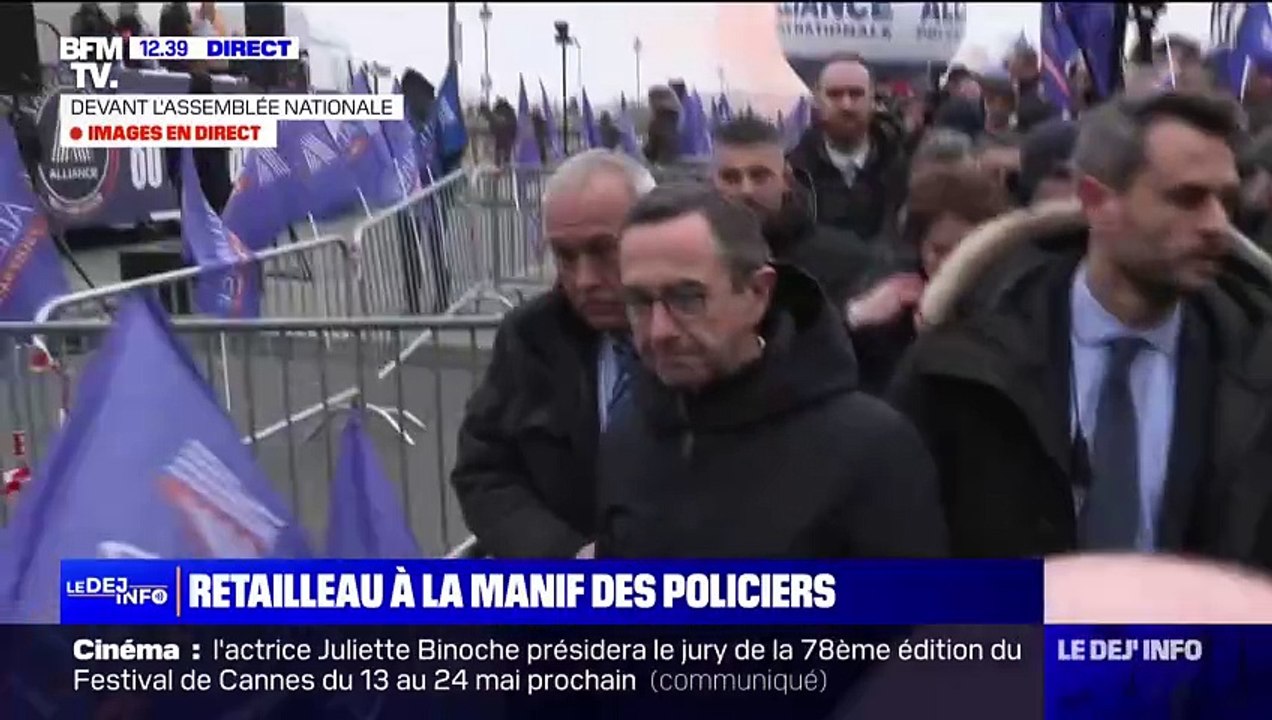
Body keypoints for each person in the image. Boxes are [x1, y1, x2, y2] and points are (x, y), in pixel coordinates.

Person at [890, 91, 1272, 569]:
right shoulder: (959, 366)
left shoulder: (1254, 368)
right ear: (1096, 201)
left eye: (1227, 201)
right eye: (1187, 198)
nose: (1218, 225)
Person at [596, 184, 948, 558]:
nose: (659, 331)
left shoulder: (870, 449)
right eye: (639, 303)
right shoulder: (629, 430)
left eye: (687, 299)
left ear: (758, 293)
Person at [451, 150, 657, 558]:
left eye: (604, 251)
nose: (584, 280)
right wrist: (561, 558)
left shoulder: (710, 338)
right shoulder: (529, 336)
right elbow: (486, 470)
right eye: (564, 256)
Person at [847, 165, 1009, 394]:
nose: (952, 263)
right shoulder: (891, 299)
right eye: (939, 250)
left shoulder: (1011, 305)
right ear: (919, 245)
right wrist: (855, 320)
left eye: (966, 250)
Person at [710, 114, 874, 309]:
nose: (746, 190)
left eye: (760, 175)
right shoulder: (690, 258)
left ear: (786, 179)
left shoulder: (845, 261)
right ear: (712, 183)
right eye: (730, 178)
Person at [787, 54, 909, 244]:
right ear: (817, 100)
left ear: (873, 99)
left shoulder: (907, 171)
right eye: (834, 95)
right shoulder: (792, 175)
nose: (846, 105)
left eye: (856, 93)